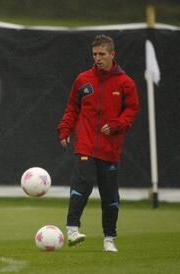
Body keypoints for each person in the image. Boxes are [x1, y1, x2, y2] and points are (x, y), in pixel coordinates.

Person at [57, 34, 139, 252]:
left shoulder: (125, 83)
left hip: (110, 148)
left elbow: (131, 111)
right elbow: (72, 108)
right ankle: (72, 229)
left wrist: (116, 125)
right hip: (85, 144)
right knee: (81, 185)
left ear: (112, 54)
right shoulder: (83, 79)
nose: (97, 58)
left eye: (102, 54)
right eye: (94, 54)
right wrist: (65, 130)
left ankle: (109, 238)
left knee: (110, 196)